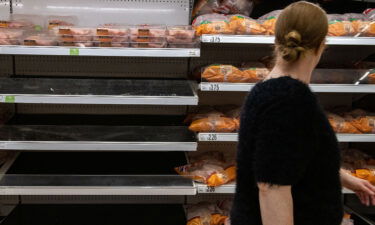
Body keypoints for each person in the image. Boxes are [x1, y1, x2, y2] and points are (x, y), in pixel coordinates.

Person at [230, 2, 375, 225]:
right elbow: (271, 187)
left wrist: (344, 178)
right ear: (321, 45)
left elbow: (292, 156)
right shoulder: (288, 100)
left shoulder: (272, 91)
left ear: (277, 40)